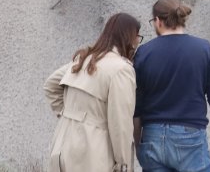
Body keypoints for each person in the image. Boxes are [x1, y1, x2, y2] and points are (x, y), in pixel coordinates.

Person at [133, 0, 210, 171]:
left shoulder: (144, 52)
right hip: (190, 136)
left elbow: (137, 104)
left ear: (158, 21)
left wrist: (138, 141)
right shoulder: (204, 49)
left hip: (152, 135)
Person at [44, 13, 141, 172]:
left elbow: (50, 85)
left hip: (61, 146)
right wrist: (123, 162)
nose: (137, 42)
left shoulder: (85, 59)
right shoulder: (121, 69)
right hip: (93, 152)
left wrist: (69, 115)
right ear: (129, 37)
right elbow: (120, 122)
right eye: (138, 37)